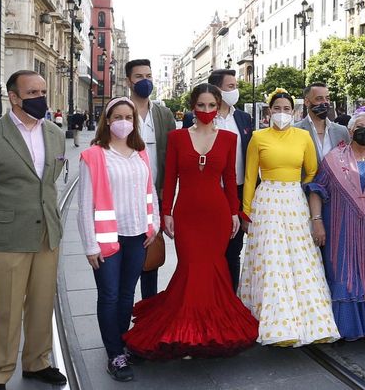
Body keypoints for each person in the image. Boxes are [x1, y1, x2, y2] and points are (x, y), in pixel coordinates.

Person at [124, 84, 258, 359]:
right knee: (191, 267)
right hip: (186, 214)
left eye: (212, 106)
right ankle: (187, 327)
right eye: (201, 106)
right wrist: (166, 213)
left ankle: (204, 327)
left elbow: (230, 180)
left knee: (211, 269)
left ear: (218, 106)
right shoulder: (177, 137)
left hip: (217, 215)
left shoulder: (229, 140)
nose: (207, 111)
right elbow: (170, 177)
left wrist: (234, 212)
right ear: (192, 107)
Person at [0, 70, 68, 390]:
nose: (40, 98)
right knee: (5, 309)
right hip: (7, 238)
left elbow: (52, 176)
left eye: (43, 92)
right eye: (32, 93)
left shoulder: (55, 133)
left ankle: (37, 362)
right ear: (14, 97)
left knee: (42, 303)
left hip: (47, 234)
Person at [239, 88, 340, 346]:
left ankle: (311, 322)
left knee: (302, 260)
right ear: (268, 111)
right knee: (272, 260)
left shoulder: (303, 137)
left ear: (294, 112)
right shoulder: (258, 137)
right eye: (277, 109)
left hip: (295, 201)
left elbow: (312, 172)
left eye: (286, 109)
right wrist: (246, 212)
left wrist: (300, 193)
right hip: (267, 202)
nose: (281, 113)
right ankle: (276, 326)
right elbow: (250, 177)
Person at [77, 97, 160, 381]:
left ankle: (121, 342)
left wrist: (154, 225)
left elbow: (150, 192)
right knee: (109, 296)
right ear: (108, 120)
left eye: (129, 116)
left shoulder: (140, 153)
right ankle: (114, 353)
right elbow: (85, 204)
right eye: (118, 116)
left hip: (138, 236)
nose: (124, 121)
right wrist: (90, 244)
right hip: (107, 240)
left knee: (127, 295)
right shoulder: (95, 155)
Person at [307, 107, 365, 340]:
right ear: (350, 131)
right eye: (360, 128)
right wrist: (317, 221)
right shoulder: (333, 159)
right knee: (343, 271)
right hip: (341, 229)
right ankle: (347, 328)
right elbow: (317, 190)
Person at [124, 59, 176, 300]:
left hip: (155, 197)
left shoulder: (163, 114)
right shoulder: (120, 112)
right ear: (129, 81)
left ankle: (148, 312)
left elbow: (172, 156)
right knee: (127, 263)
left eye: (148, 75)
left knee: (151, 260)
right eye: (139, 76)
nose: (145, 81)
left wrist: (167, 198)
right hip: (125, 199)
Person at [208, 68, 254, 291]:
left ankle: (230, 298)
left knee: (234, 250)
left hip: (236, 191)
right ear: (217, 89)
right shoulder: (201, 117)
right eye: (231, 86)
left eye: (235, 86)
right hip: (210, 193)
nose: (235, 91)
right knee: (211, 250)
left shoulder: (244, 118)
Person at [295, 82, 350, 162]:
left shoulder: (342, 131)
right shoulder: (295, 131)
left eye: (327, 98)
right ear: (307, 102)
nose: (325, 102)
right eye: (319, 98)